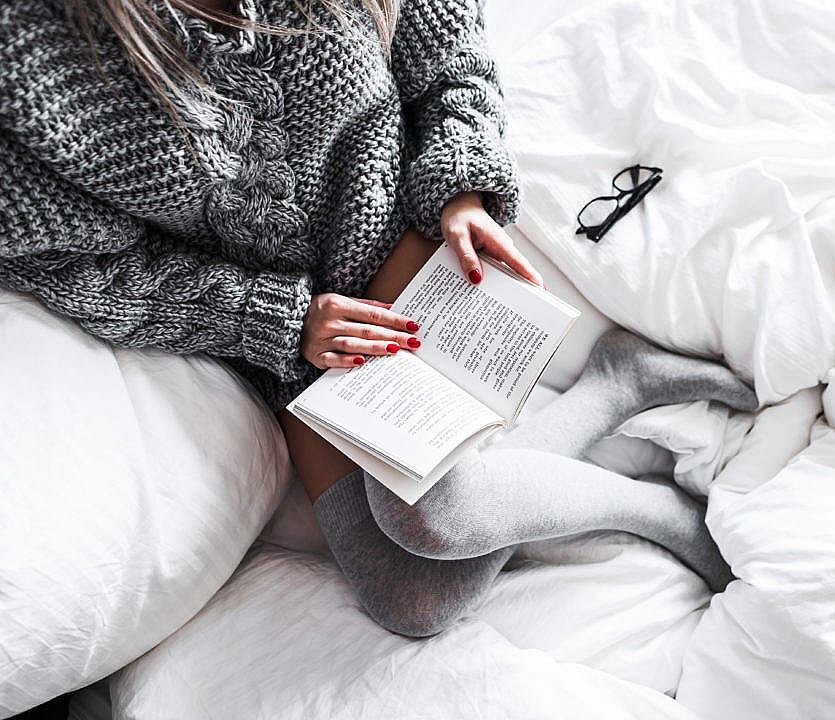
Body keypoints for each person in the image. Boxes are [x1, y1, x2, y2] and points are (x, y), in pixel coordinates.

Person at [0, 0, 757, 636]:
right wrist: (274, 319)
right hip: (295, 323)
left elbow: (442, 18)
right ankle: (616, 388)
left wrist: (460, 174)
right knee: (414, 602)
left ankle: (662, 517)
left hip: (402, 223)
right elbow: (68, 263)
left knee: (434, 515)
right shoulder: (26, 52)